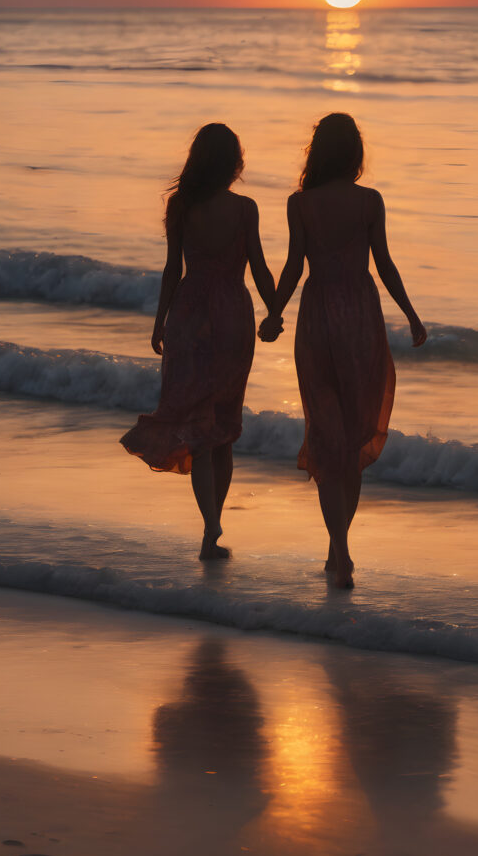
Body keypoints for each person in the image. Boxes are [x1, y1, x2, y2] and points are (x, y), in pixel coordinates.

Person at [259, 113, 426, 588]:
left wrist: (273, 313)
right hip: (359, 316)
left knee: (326, 434)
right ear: (354, 154)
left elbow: (293, 265)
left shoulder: (301, 204)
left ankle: (340, 549)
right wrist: (411, 315)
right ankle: (340, 548)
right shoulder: (370, 201)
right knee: (352, 436)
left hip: (316, 318)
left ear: (318, 152)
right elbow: (386, 265)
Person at [121, 123, 277, 560]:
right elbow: (260, 269)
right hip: (231, 316)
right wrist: (275, 310)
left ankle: (211, 524)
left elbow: (173, 269)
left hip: (189, 316)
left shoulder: (182, 205)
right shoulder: (245, 209)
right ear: (234, 164)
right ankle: (213, 527)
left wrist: (160, 322)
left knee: (198, 429)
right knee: (223, 429)